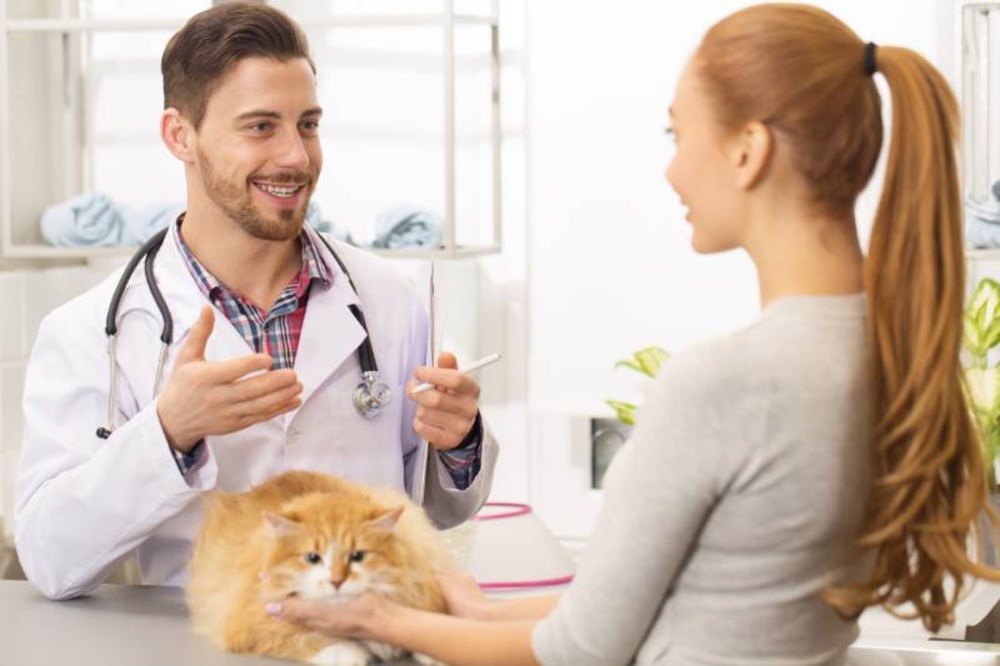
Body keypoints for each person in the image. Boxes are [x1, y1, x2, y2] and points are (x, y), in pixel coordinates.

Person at [266, 3, 1000, 664]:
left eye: (677, 134)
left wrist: (382, 619)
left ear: (748, 150)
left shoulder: (725, 380)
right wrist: (484, 607)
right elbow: (718, 603)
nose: (673, 169)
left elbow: (580, 649)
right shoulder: (894, 348)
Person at [14, 2, 498, 601]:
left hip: (363, 641)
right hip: (200, 647)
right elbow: (51, 559)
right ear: (179, 135)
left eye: (309, 124)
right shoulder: (92, 331)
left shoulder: (387, 302)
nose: (296, 157)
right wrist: (168, 432)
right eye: (261, 126)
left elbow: (432, 511)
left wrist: (460, 443)